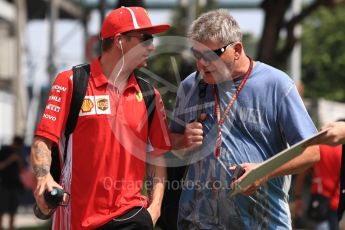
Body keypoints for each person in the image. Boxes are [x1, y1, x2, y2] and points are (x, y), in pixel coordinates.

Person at [169, 9, 320, 229]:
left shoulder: (276, 84)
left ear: (237, 49)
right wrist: (183, 141)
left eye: (211, 55)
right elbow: (171, 142)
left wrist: (264, 172)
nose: (202, 64)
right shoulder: (190, 86)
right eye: (197, 54)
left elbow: (312, 152)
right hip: (199, 221)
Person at [31, 6, 171, 230]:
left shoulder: (149, 95)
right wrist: (43, 176)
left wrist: (154, 210)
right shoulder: (70, 82)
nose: (152, 47)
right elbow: (43, 141)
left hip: (131, 214)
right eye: (145, 39)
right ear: (120, 41)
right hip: (77, 217)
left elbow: (157, 157)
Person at [293, 144, 341, 230]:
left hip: (318, 201)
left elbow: (301, 175)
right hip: (335, 203)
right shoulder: (341, 150)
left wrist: (297, 197)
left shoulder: (317, 148)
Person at [0, 136, 24, 230]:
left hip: (15, 185)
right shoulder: (4, 150)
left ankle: (11, 227)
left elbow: (21, 170)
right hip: (4, 185)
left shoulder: (19, 153)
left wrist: (19, 161)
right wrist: (11, 159)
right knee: (1, 209)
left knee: (13, 210)